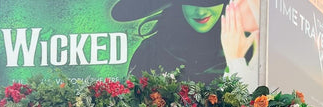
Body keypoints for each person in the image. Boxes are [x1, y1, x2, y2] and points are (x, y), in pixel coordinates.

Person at [111, 0, 259, 85]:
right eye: (191, 1)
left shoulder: (246, 47)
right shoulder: (150, 51)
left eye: (210, 2)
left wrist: (235, 60)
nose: (201, 12)